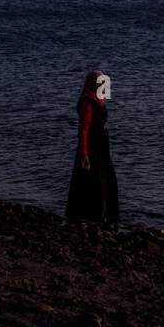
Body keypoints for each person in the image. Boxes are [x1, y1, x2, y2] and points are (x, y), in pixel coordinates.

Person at [65, 70, 119, 225]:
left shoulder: (99, 98)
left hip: (102, 146)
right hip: (92, 147)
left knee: (105, 179)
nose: (104, 86)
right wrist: (83, 153)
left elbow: (104, 101)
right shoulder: (87, 103)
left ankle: (106, 213)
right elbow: (83, 129)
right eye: (100, 82)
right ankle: (92, 214)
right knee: (93, 180)